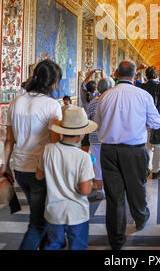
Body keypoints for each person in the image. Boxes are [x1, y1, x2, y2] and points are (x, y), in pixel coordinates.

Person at [95, 60, 160, 250]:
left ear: (116, 74)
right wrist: (145, 124)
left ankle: (116, 240)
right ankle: (140, 218)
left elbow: (97, 123)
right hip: (134, 150)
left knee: (114, 196)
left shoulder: (105, 96)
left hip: (108, 151)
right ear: (135, 76)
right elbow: (157, 122)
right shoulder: (143, 95)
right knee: (137, 188)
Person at [0, 59, 63, 250]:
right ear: (53, 82)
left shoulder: (16, 101)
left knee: (38, 215)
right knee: (39, 223)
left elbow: (9, 140)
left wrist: (5, 166)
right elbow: (55, 143)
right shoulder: (52, 105)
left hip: (19, 169)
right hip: (40, 170)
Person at [36, 106, 97, 250]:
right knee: (77, 246)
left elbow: (39, 176)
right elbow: (85, 191)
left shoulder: (48, 149)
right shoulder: (84, 157)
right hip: (77, 213)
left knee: (52, 245)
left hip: (53, 212)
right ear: (81, 134)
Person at [137, 66, 160, 179]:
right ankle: (156, 170)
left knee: (146, 145)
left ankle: (146, 169)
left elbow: (133, 78)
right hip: (158, 119)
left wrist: (139, 68)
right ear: (156, 76)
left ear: (146, 76)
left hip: (145, 119)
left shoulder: (142, 86)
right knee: (157, 145)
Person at [87, 77, 115, 200]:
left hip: (95, 138)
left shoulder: (93, 102)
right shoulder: (114, 101)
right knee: (112, 164)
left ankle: (100, 190)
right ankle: (112, 189)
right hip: (111, 138)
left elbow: (88, 120)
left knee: (97, 164)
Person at [80, 72, 99, 152]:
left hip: (84, 120)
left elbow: (83, 83)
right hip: (94, 122)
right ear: (95, 88)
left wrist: (91, 73)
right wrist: (101, 74)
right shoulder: (97, 95)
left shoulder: (83, 93)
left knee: (85, 144)